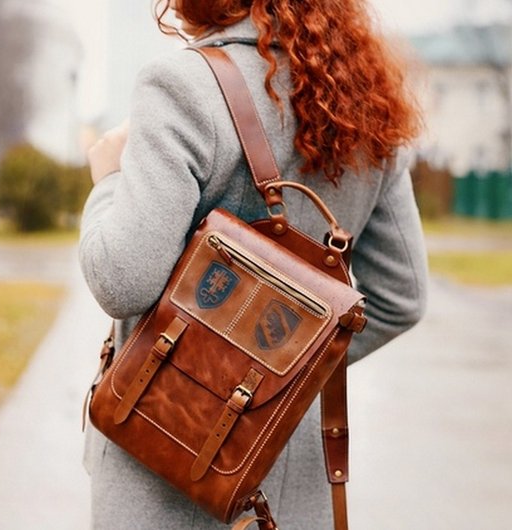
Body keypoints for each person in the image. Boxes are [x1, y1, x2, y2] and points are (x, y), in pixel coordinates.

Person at [79, 0, 428, 528]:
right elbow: (401, 297)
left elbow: (121, 280)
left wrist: (106, 180)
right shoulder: (368, 102)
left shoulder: (181, 86)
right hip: (286, 470)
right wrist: (281, 377)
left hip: (162, 456)